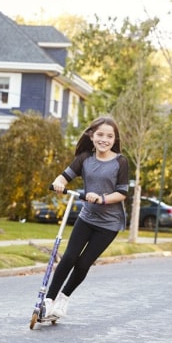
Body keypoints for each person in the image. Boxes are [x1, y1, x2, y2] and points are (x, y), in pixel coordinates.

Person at [44, 116, 129, 318]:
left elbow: (122, 193)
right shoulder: (84, 159)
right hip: (87, 217)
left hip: (109, 224)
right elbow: (64, 176)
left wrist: (101, 198)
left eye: (109, 136)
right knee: (69, 258)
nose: (104, 139)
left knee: (83, 264)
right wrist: (59, 183)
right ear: (91, 136)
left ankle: (63, 299)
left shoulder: (120, 162)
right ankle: (48, 301)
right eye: (100, 134)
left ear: (114, 139)